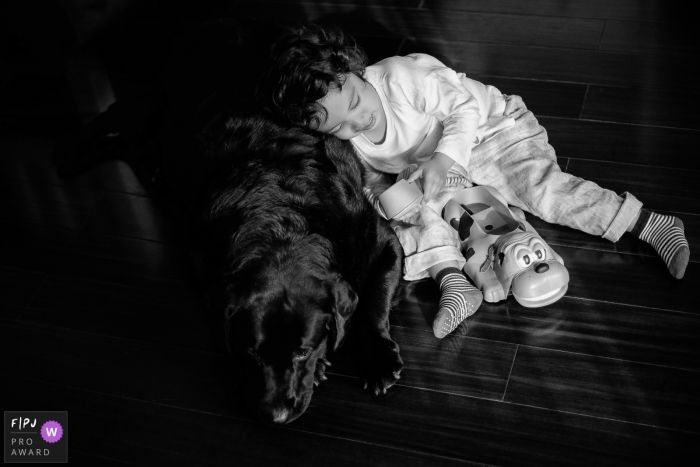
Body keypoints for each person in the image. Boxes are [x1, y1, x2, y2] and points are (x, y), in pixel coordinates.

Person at [260, 24, 690, 338]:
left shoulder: (401, 79)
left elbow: (464, 109)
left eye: (354, 100)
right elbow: (374, 178)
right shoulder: (349, 136)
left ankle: (649, 223)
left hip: (491, 132)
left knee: (540, 189)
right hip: (435, 168)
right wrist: (389, 199)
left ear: (351, 68)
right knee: (407, 222)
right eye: (341, 127)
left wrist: (446, 158)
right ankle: (453, 281)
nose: (359, 120)